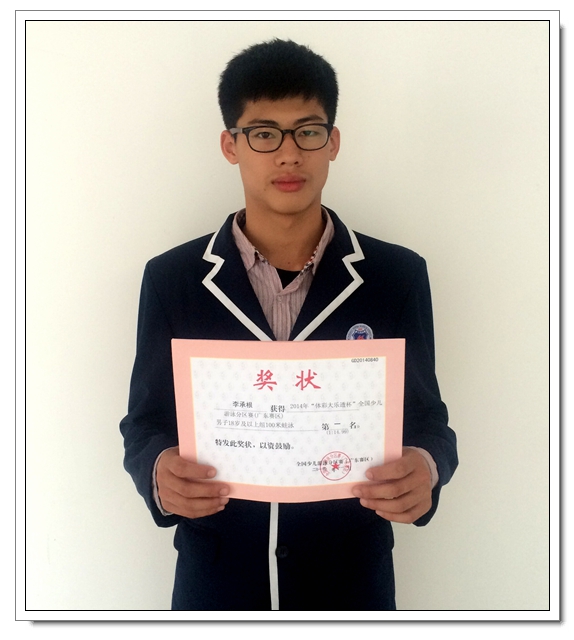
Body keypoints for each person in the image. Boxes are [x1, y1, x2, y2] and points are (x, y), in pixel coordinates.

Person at [120, 38, 458, 611]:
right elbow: (145, 421)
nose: (288, 154)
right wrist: (158, 470)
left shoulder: (395, 276)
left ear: (333, 142)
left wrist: (425, 468)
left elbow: (428, 420)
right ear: (231, 145)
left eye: (308, 131)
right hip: (217, 583)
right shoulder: (173, 279)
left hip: (350, 583)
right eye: (263, 133)